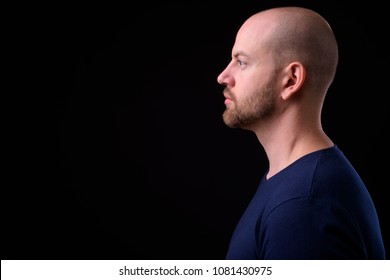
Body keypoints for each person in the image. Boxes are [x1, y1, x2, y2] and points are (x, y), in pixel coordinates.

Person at [217, 6, 386, 259]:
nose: (223, 76)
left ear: (291, 80)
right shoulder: (296, 182)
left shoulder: (303, 207)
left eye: (241, 62)